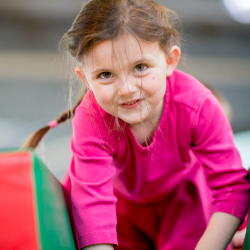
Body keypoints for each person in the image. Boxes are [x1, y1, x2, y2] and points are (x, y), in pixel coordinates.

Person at [23, 0, 250, 249]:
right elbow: (93, 205)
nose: (127, 90)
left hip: (182, 205)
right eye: (105, 74)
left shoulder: (198, 106)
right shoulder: (90, 118)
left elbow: (231, 185)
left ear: (170, 60)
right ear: (85, 78)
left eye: (140, 67)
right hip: (121, 209)